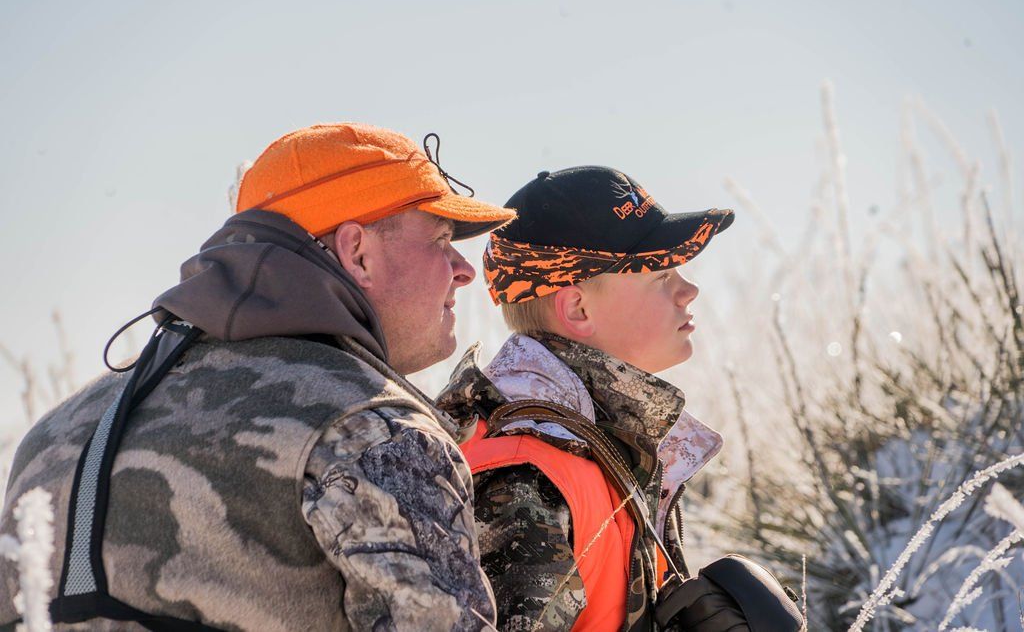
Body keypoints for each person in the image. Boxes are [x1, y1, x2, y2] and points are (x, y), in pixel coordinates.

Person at [0, 123, 515, 630]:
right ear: (358, 252)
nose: (463, 268)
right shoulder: (374, 431)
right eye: (442, 239)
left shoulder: (56, 433)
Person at [437, 166, 734, 630]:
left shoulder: (598, 441)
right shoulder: (525, 475)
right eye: (658, 274)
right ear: (578, 308)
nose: (688, 290)